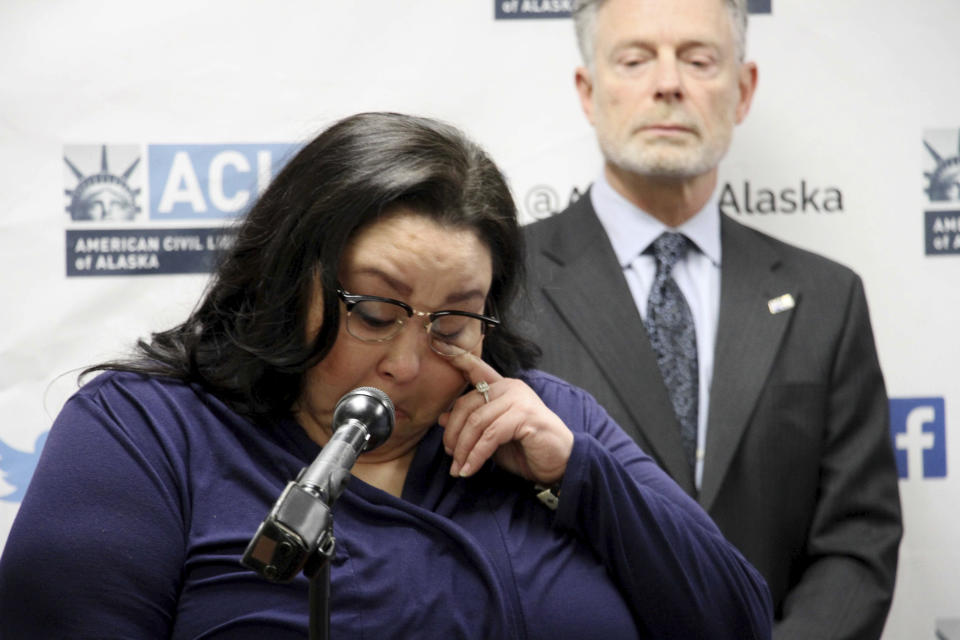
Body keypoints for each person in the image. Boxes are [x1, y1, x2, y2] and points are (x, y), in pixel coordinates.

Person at [0, 112, 773, 639]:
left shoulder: (544, 421)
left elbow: (738, 621)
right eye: (373, 312)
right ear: (284, 284)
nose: (407, 364)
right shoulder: (147, 434)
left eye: (452, 322)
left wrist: (581, 474)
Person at [517, 0, 903, 638]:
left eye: (699, 60)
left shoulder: (827, 300)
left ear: (743, 90)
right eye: (635, 59)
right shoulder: (505, 285)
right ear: (588, 91)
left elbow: (858, 544)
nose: (668, 83)